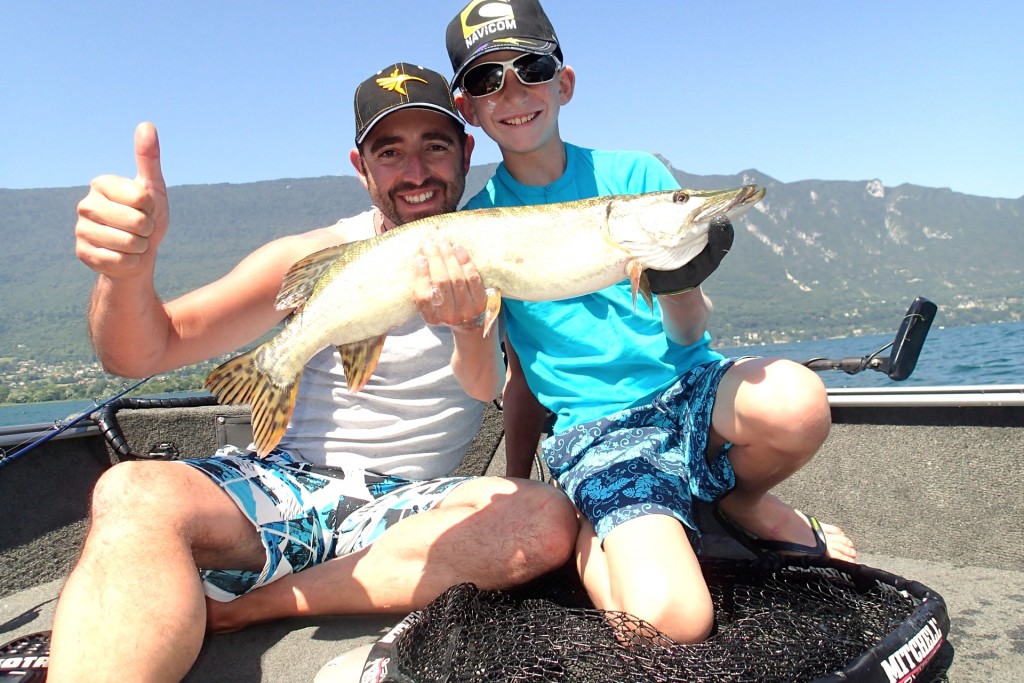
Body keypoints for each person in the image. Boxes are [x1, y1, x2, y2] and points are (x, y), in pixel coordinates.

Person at [50, 62, 578, 682]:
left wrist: (516, 477)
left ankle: (261, 603)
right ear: (361, 166)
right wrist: (125, 271)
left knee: (543, 520)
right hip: (287, 488)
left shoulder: (509, 249)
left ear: (465, 149)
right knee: (132, 489)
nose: (415, 173)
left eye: (434, 146)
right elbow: (138, 354)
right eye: (390, 152)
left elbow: (516, 388)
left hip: (411, 508)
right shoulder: (309, 257)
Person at [444, 0, 857, 644]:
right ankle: (589, 537)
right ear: (468, 107)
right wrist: (468, 326)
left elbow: (689, 336)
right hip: (599, 431)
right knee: (671, 624)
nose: (513, 91)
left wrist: (681, 283)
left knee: (797, 401)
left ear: (565, 82)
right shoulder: (475, 227)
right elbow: (489, 385)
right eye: (486, 80)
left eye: (529, 67)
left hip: (689, 392)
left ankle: (739, 505)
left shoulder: (636, 175)